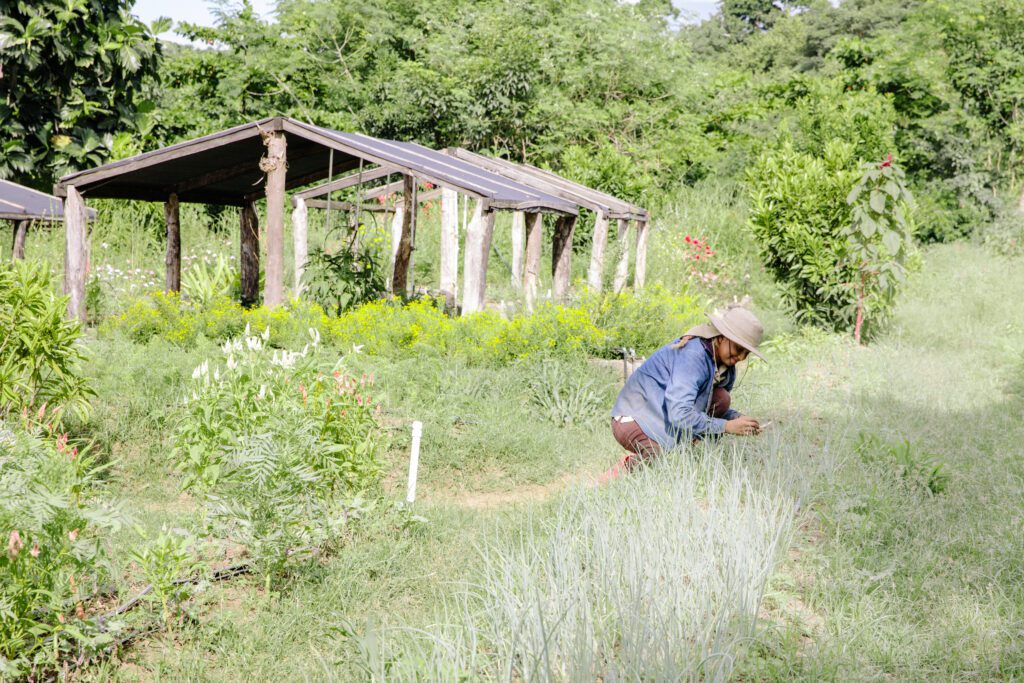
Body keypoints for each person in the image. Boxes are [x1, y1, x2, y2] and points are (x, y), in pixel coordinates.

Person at [601, 302, 766, 481]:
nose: (740, 358)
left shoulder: (726, 367)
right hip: (633, 418)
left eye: (746, 353)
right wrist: (726, 426)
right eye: (738, 349)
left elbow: (715, 405)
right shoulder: (693, 356)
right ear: (721, 337)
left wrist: (737, 419)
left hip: (662, 414)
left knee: (722, 398)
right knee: (659, 458)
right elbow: (679, 413)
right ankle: (618, 472)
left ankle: (680, 448)